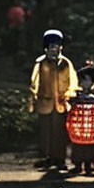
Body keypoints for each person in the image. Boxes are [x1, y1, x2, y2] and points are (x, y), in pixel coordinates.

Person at [29, 29, 79, 170]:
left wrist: (69, 94)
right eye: (51, 47)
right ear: (46, 48)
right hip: (45, 102)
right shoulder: (40, 63)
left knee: (60, 132)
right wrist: (34, 99)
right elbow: (34, 82)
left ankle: (60, 158)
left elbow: (73, 81)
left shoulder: (66, 63)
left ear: (60, 48)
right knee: (45, 132)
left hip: (61, 103)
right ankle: (47, 157)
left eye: (56, 47)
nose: (54, 50)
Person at [69, 65, 94, 175]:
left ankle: (89, 166)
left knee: (92, 148)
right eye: (82, 80)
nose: (83, 83)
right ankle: (78, 165)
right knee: (78, 147)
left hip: (92, 128)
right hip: (79, 128)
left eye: (86, 80)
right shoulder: (76, 96)